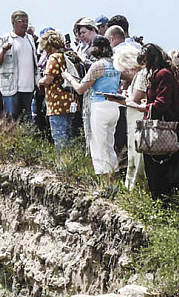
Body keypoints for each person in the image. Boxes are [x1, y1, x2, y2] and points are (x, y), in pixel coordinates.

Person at [132, 43, 179, 200]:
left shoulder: (162, 74)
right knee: (170, 174)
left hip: (164, 129)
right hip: (173, 128)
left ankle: (161, 204)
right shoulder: (170, 72)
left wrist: (145, 107)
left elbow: (162, 103)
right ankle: (168, 204)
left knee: (158, 174)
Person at [65, 36, 121, 192]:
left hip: (100, 106)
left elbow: (80, 89)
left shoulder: (98, 66)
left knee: (98, 146)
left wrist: (69, 77)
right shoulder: (115, 64)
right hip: (114, 106)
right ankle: (114, 184)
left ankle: (106, 186)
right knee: (109, 146)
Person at [0, 10, 38, 123]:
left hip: (28, 88)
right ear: (13, 23)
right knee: (11, 121)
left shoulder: (30, 39)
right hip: (12, 88)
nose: (24, 24)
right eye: (21, 21)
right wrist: (3, 51)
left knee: (27, 121)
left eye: (26, 21)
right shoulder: (5, 39)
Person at [38, 31, 78, 151]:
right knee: (72, 138)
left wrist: (40, 82)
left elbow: (48, 79)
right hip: (72, 101)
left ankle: (63, 166)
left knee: (60, 138)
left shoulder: (54, 57)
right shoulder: (72, 54)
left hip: (57, 104)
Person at [117, 46, 147, 190]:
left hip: (139, 119)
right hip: (134, 118)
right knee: (133, 153)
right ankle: (133, 185)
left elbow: (135, 99)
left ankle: (136, 187)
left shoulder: (141, 76)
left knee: (137, 154)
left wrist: (119, 99)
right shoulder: (140, 76)